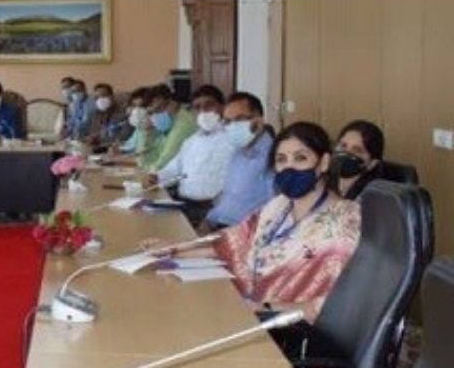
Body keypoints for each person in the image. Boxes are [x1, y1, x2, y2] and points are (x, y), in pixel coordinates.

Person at [150, 122, 360, 323]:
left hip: (284, 327)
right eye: (281, 160)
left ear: (323, 162)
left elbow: (336, 302)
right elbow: (232, 243)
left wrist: (264, 309)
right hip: (246, 309)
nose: (289, 167)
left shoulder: (344, 222)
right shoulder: (279, 205)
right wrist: (175, 249)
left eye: (300, 158)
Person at [153, 85, 233, 228]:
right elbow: (173, 170)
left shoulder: (233, 138)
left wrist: (215, 215)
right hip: (184, 205)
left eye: (209, 105)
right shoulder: (190, 141)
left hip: (214, 210)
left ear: (222, 107)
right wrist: (155, 178)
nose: (203, 111)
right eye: (197, 107)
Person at [204, 92, 276, 231]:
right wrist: (208, 220)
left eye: (239, 119)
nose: (232, 126)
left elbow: (275, 212)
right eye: (227, 121)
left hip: (244, 234)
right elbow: (227, 200)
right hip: (219, 227)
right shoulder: (238, 153)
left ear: (258, 121)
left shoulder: (273, 156)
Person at [138, 83, 197, 172]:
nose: (155, 115)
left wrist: (149, 170)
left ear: (172, 103)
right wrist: (147, 132)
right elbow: (144, 161)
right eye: (151, 112)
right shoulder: (167, 124)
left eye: (158, 109)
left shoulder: (184, 123)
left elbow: (164, 165)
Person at [333, 120, 386, 201]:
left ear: (372, 163)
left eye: (357, 150)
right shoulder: (320, 181)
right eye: (343, 146)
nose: (346, 153)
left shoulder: (373, 198)